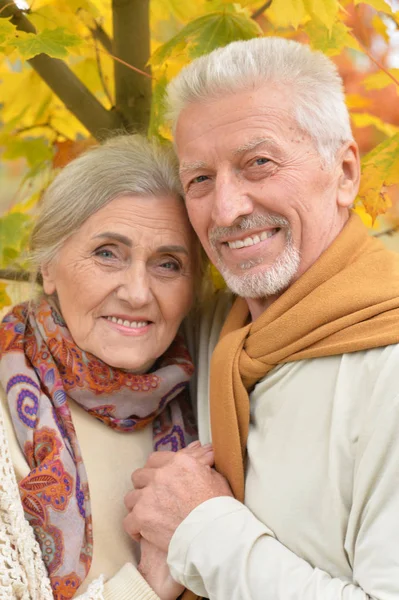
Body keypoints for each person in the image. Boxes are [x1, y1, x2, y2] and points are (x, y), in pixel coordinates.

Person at [123, 37, 399, 599]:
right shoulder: (212, 331)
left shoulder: (388, 367)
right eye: (199, 179)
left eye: (259, 164)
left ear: (345, 173)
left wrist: (202, 529)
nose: (227, 209)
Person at [0, 134, 212, 600]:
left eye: (168, 264)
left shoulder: (209, 396)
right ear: (49, 266)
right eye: (107, 254)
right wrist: (151, 583)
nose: (137, 293)